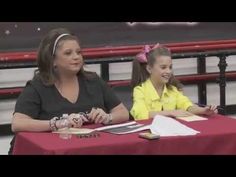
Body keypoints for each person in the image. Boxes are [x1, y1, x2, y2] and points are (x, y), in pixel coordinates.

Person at [9, 28, 129, 154]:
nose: (76, 57)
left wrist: (107, 117)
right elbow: (18, 123)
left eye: (78, 52)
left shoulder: (94, 81)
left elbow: (122, 113)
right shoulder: (37, 86)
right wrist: (57, 124)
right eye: (68, 53)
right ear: (53, 60)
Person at [130, 44, 218, 120]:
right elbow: (140, 115)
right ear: (149, 69)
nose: (168, 71)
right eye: (163, 67)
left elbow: (186, 105)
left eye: (170, 67)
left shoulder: (173, 90)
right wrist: (171, 112)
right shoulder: (139, 90)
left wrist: (203, 111)